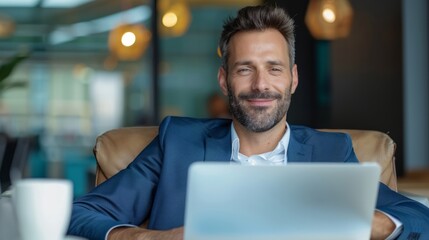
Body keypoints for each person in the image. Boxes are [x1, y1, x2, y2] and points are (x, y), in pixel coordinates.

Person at [67, 5, 429, 240]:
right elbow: (82, 212)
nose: (260, 85)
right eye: (245, 69)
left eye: (274, 69)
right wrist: (152, 238)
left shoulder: (332, 150)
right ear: (224, 80)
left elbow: (418, 219)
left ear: (294, 78)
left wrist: (374, 226)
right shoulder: (177, 141)